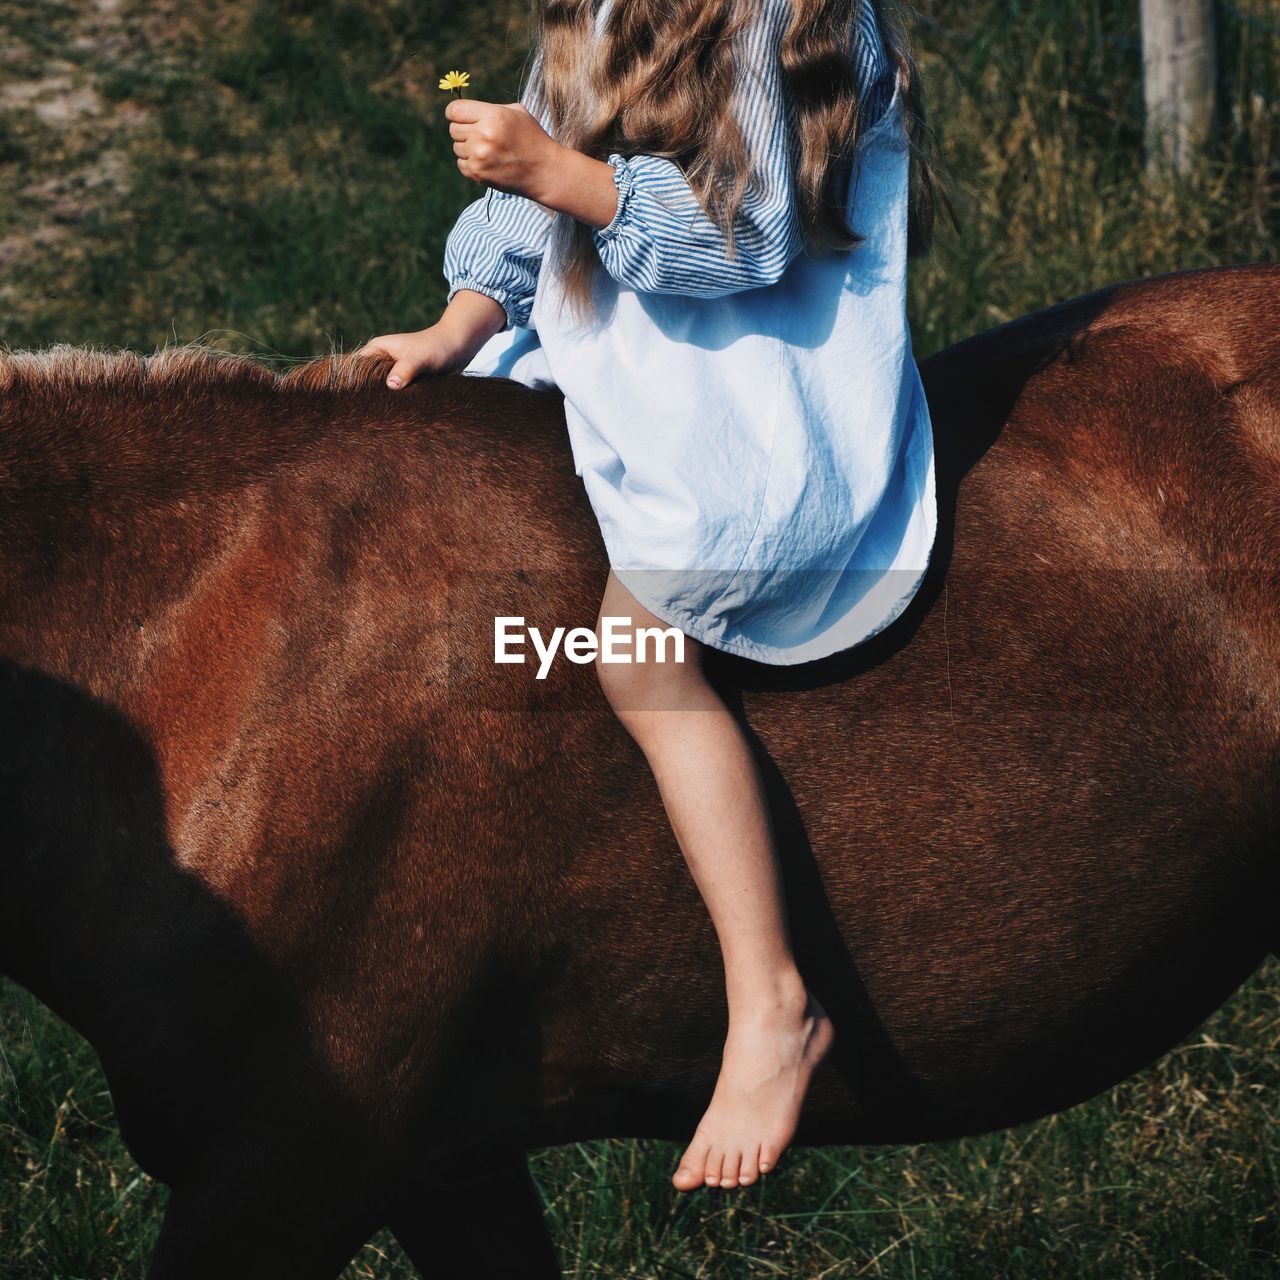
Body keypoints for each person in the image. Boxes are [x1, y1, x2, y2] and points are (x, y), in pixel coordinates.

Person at [358, 0, 947, 1193]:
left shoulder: (785, 17)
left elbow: (746, 238)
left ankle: (771, 997)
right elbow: (528, 212)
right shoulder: (602, 9)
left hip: (761, 383)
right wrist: (458, 322)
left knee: (634, 649)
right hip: (642, 347)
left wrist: (559, 170)